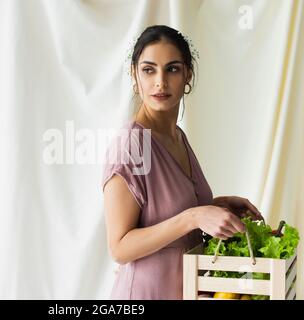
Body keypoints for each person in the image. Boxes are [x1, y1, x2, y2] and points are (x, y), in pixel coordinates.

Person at [101, 25, 264, 300]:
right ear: (134, 75)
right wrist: (194, 216)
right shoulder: (130, 145)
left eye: (172, 69)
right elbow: (119, 247)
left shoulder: (176, 136)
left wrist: (214, 207)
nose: (160, 82)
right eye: (149, 70)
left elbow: (165, 211)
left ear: (188, 74)